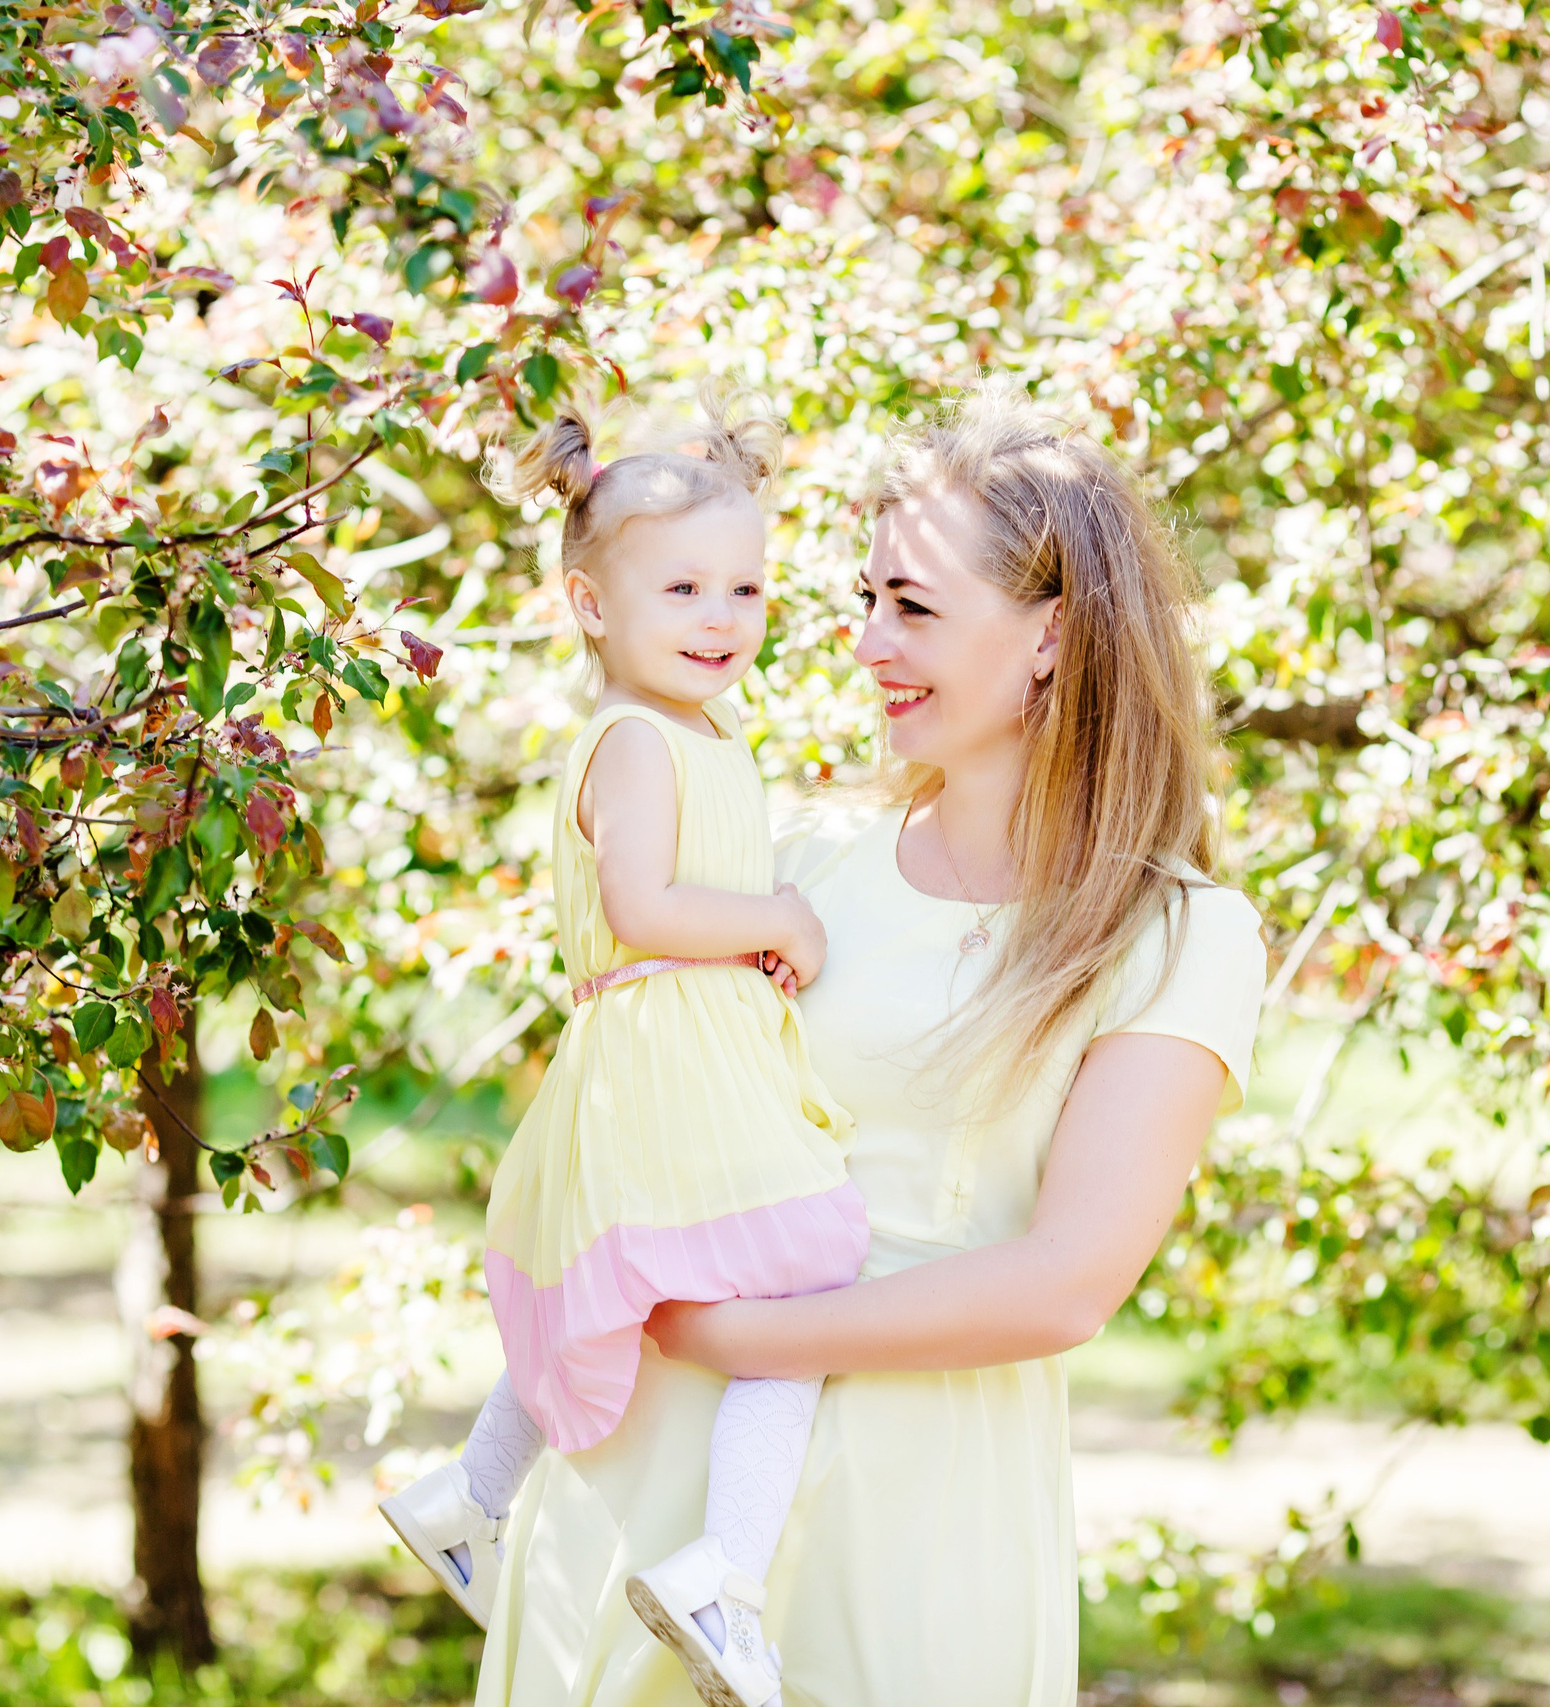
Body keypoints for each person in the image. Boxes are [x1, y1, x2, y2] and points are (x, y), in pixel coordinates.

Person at [472, 385, 1268, 1707]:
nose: (865, 644)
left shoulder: (1176, 935)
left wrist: (729, 1337)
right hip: (638, 1505)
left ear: (1052, 636)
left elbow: (1065, 1284)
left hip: (916, 1519)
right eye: (862, 599)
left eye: (914, 607)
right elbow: (617, 1117)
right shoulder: (791, 870)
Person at [381, 395, 869, 1707]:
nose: (723, 615)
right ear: (594, 609)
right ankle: (726, 1574)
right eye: (685, 589)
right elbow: (645, 908)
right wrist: (773, 918)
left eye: (747, 587)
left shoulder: (704, 737)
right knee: (805, 1293)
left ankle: (472, 1493)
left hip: (677, 1036)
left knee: (606, 1280)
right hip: (664, 1043)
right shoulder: (641, 742)